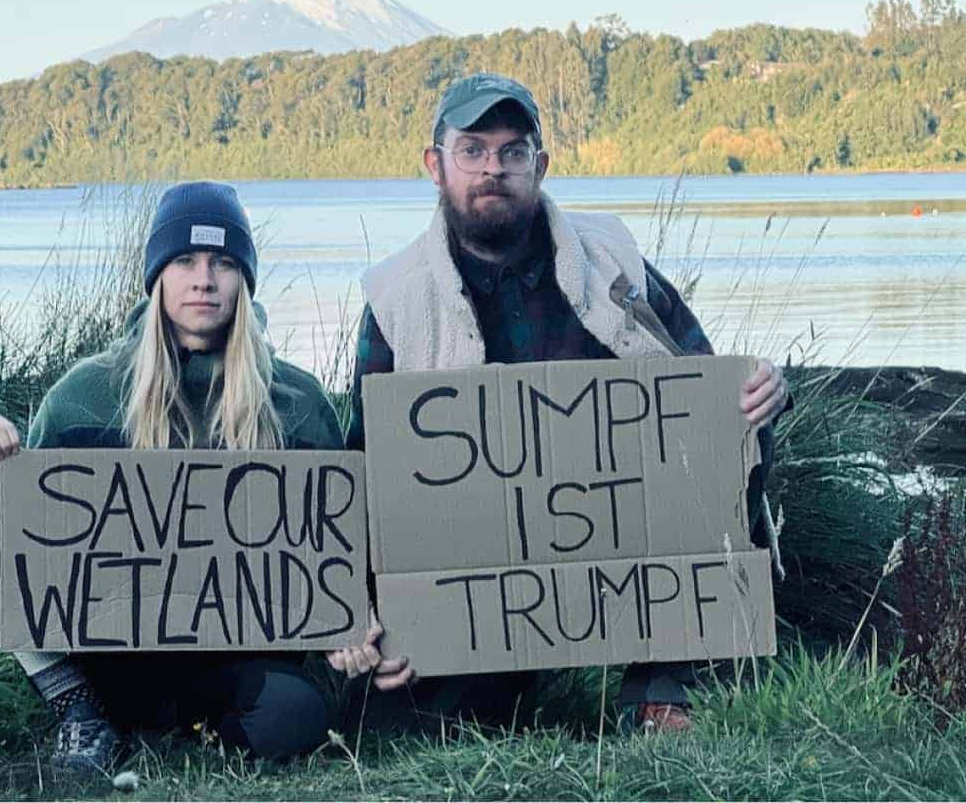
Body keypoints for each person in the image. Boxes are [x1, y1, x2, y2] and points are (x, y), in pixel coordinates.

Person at [334, 73, 790, 733]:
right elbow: (365, 468)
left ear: (540, 167)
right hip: (478, 569)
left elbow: (705, 386)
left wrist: (763, 389)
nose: (493, 168)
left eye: (513, 152)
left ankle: (659, 685)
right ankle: (499, 674)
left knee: (739, 428)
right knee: (399, 726)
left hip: (617, 545)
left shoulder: (611, 257)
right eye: (472, 150)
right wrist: (370, 610)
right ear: (435, 165)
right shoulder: (394, 299)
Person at [0, 182, 346, 772]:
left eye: (223, 262)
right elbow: (37, 529)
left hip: (230, 658)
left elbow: (333, 549)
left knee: (298, 717)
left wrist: (348, 624)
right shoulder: (83, 394)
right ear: (158, 275)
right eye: (184, 260)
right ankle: (77, 706)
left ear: (244, 279)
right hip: (107, 651)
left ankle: (186, 729)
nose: (204, 279)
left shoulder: (301, 404)